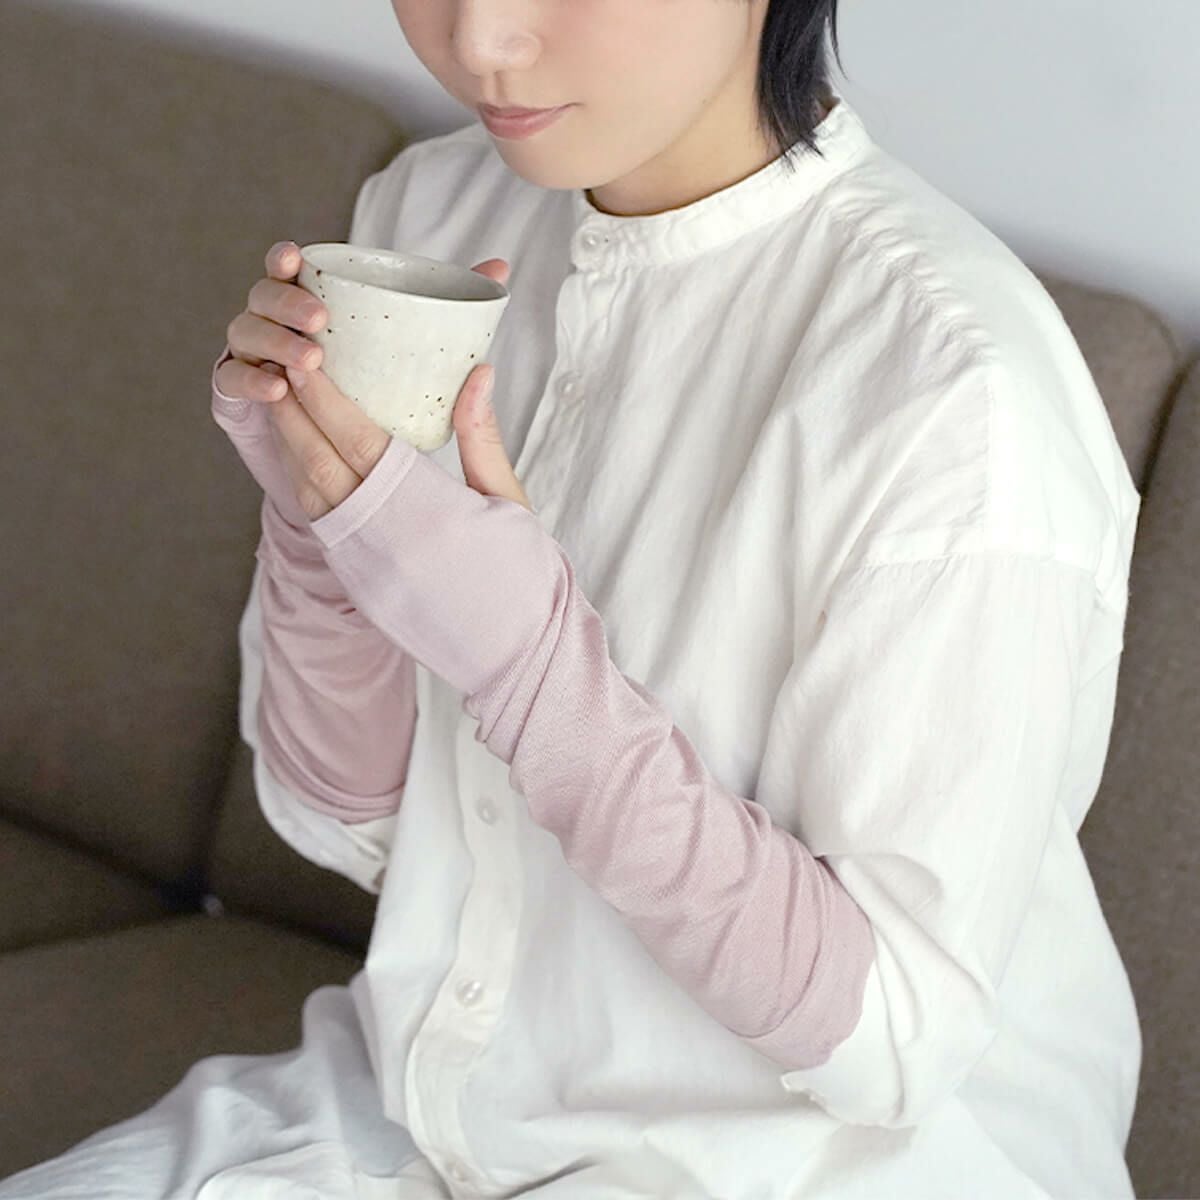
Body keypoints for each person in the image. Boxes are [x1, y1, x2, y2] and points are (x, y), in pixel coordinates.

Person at [0, 0, 1143, 1197]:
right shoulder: (432, 218)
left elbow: (893, 1039)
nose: (479, 41)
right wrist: (318, 527)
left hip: (807, 1165)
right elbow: (350, 824)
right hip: (421, 1104)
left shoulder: (954, 394)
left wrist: (532, 668)